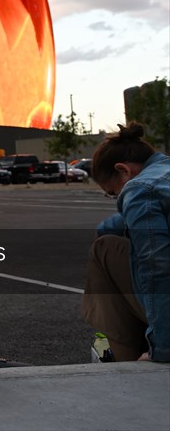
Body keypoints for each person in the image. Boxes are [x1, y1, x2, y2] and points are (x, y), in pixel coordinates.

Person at [82, 122, 169, 362]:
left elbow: (158, 267)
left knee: (103, 250)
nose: (117, 198)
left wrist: (163, 349)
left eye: (113, 193)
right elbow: (110, 226)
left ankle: (128, 364)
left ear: (123, 171)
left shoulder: (139, 189)